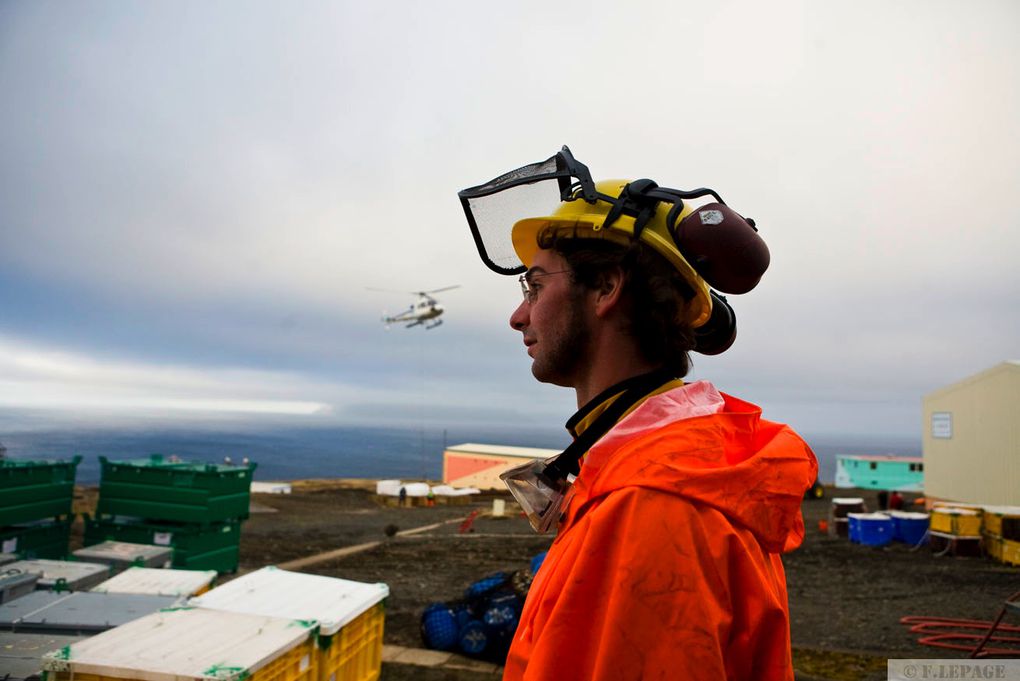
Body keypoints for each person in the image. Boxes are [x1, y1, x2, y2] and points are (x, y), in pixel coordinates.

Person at [458, 147, 818, 681]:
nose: (518, 316)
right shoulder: (663, 470)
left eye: (534, 285)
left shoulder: (651, 507)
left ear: (606, 287)